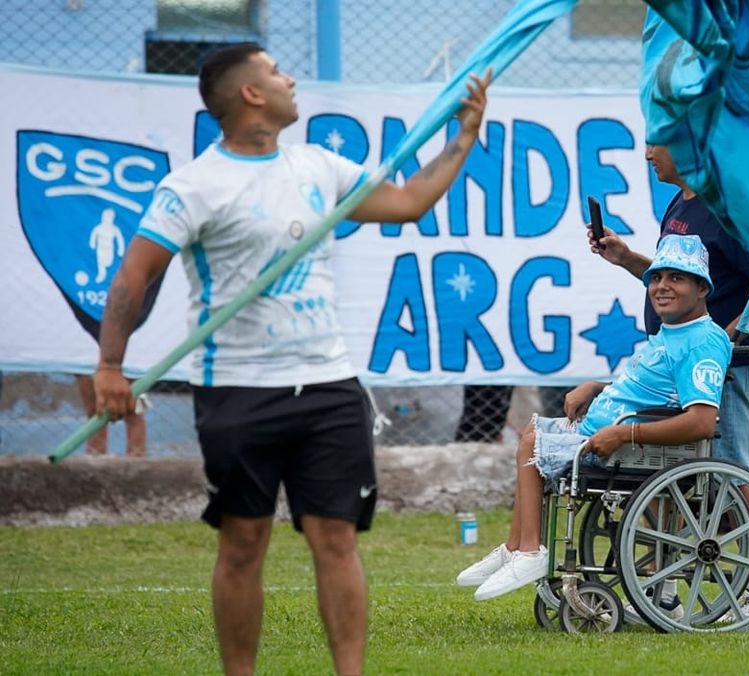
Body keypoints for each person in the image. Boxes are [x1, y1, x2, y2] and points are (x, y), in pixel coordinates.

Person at [91, 43, 491, 676]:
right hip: (238, 390)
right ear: (250, 93)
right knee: (243, 542)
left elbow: (408, 201)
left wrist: (464, 135)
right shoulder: (194, 186)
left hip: (328, 386)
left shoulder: (317, 167)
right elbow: (133, 275)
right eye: (275, 72)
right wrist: (110, 366)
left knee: (336, 539)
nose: (289, 79)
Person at [455, 234, 733, 602]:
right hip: (605, 433)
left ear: (702, 289)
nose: (662, 286)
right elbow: (648, 389)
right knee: (533, 430)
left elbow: (701, 422)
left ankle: (530, 552)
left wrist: (624, 434)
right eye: (656, 277)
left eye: (676, 278)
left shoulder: (701, 342)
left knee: (535, 441)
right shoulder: (672, 333)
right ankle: (517, 546)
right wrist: (596, 386)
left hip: (627, 450)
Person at [586, 144, 749, 623]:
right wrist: (626, 258)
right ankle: (660, 592)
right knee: (662, 472)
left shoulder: (726, 208)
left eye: (656, 142)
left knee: (731, 467)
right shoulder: (681, 203)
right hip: (674, 364)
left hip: (723, 364)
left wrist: (720, 342)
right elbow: (678, 282)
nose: (646, 153)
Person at [75, 374, 145, 456]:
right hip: (90, 366)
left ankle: (136, 458)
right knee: (96, 414)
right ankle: (95, 459)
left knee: (135, 414)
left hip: (131, 366)